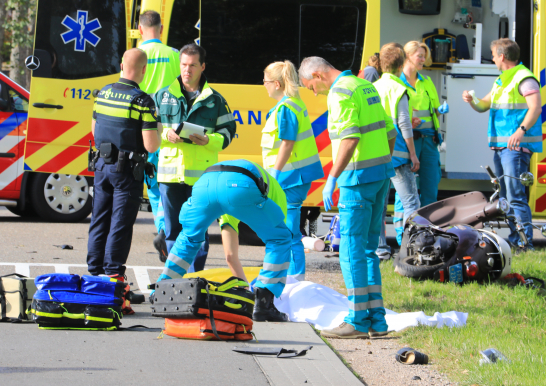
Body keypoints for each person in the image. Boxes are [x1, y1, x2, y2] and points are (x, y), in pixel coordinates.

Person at [299, 56, 395, 339]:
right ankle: (377, 321)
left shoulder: (340, 92)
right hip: (379, 177)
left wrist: (331, 179)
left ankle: (355, 320)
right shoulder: (364, 86)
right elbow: (389, 131)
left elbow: (350, 138)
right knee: (367, 250)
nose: (314, 93)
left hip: (356, 181)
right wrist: (381, 162)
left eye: (310, 87)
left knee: (351, 252)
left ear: (317, 75)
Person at [218, 61, 324, 283]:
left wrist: (274, 173)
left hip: (289, 177)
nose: (263, 85)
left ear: (276, 83)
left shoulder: (286, 108)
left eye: (265, 81)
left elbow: (287, 142)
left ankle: (293, 281)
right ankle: (288, 278)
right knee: (286, 231)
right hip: (293, 176)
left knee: (288, 233)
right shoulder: (292, 104)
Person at [154, 159, 291, 322]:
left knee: (189, 239)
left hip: (205, 184)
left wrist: (244, 289)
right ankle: (264, 303)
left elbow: (230, 255)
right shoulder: (278, 197)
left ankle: (161, 290)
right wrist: (251, 294)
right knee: (280, 239)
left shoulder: (235, 202)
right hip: (241, 185)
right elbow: (276, 238)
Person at [88, 48, 161, 313]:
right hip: (126, 171)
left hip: (101, 166)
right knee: (120, 223)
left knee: (100, 217)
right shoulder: (142, 101)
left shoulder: (103, 93)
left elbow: (94, 130)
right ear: (144, 70)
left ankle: (94, 274)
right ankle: (113, 277)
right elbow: (151, 145)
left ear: (121, 65)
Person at [154, 43, 237, 272]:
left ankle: (196, 279)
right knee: (172, 231)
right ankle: (174, 278)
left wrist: (209, 140)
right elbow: (149, 128)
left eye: (192, 65)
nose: (186, 70)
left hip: (202, 178)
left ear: (202, 67)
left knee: (198, 231)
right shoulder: (162, 96)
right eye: (183, 65)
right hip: (170, 177)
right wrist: (165, 134)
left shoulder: (216, 100)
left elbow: (229, 132)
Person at [462, 38, 542, 250]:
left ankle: (525, 244)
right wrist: (473, 101)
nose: (493, 59)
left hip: (515, 148)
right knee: (506, 198)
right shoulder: (502, 79)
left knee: (515, 196)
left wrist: (520, 131)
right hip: (502, 147)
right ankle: (517, 241)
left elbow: (536, 108)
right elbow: (484, 105)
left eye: (494, 55)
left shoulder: (525, 78)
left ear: (502, 56)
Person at [136, 9, 181, 262]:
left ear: (141, 29)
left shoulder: (136, 55)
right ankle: (171, 231)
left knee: (152, 187)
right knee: (168, 183)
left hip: (144, 129)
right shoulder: (175, 55)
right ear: (161, 29)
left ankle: (164, 227)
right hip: (170, 128)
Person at [374, 43, 421, 247]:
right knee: (411, 202)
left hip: (377, 155)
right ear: (401, 65)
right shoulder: (399, 89)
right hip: (399, 155)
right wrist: (413, 153)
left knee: (379, 206)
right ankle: (411, 248)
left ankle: (380, 248)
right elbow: (403, 123)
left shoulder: (372, 88)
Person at [398, 41, 445, 205]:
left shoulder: (427, 82)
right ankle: (401, 231)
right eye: (420, 56)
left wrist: (441, 110)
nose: (423, 59)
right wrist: (407, 121)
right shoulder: (397, 82)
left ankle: (427, 230)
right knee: (404, 192)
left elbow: (434, 112)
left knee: (430, 189)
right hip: (409, 142)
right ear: (408, 56)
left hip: (430, 142)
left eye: (424, 56)